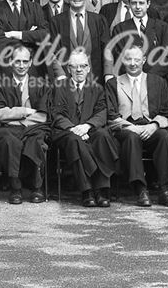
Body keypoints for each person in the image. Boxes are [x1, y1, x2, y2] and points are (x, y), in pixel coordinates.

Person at [107, 45, 168, 208]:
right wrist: (131, 127)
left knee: (165, 137)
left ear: (144, 60)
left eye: (137, 59)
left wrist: (154, 125)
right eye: (128, 59)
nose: (133, 63)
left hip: (150, 126)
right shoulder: (113, 83)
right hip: (126, 128)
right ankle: (141, 190)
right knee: (132, 138)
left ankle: (165, 190)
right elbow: (111, 115)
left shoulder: (157, 81)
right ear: (123, 61)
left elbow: (166, 111)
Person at [50, 47, 118, 208]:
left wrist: (86, 126)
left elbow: (102, 112)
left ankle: (101, 191)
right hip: (67, 132)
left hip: (90, 130)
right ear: (68, 69)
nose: (79, 70)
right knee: (74, 141)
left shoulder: (97, 88)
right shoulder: (59, 87)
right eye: (74, 66)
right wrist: (74, 129)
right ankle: (87, 191)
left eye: (82, 66)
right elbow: (56, 114)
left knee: (103, 136)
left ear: (88, 68)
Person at [0, 44, 50, 204]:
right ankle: (15, 187)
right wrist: (25, 111)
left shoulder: (41, 84)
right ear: (10, 62)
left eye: (25, 61)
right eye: (17, 61)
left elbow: (43, 116)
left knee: (36, 141)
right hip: (8, 130)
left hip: (34, 128)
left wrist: (13, 116)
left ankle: (37, 187)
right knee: (9, 141)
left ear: (30, 63)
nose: (21, 65)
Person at [48, 0, 112, 83]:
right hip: (66, 81)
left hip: (95, 80)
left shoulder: (99, 20)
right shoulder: (56, 22)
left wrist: (108, 73)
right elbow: (53, 52)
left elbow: (107, 49)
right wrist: (60, 75)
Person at [107, 0, 168, 80]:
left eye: (141, 3)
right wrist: (137, 75)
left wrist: (148, 77)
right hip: (130, 82)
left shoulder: (161, 27)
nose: (138, 7)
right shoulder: (120, 29)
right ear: (129, 4)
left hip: (157, 81)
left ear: (148, 4)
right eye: (134, 3)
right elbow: (119, 58)